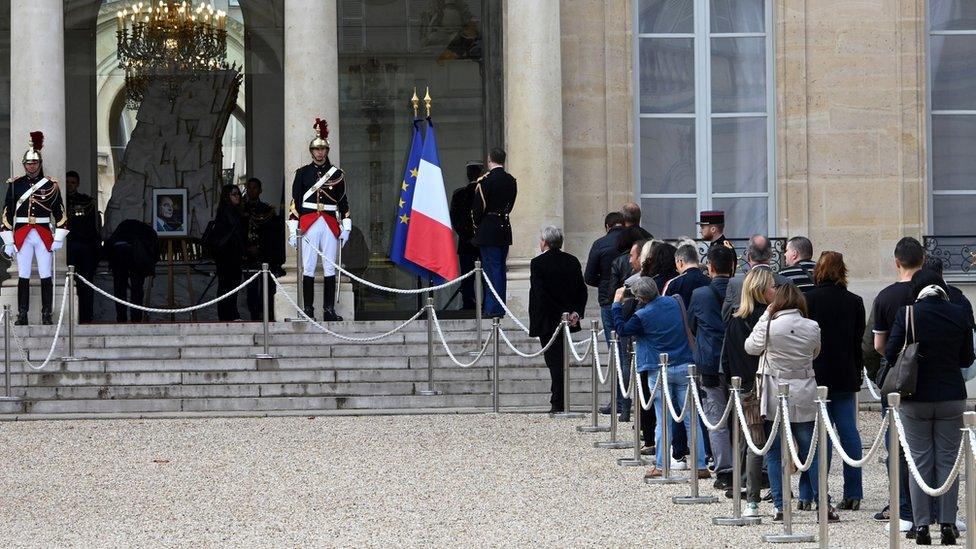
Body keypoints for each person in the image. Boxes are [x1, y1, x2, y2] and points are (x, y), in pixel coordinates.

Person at [886, 269, 975, 545]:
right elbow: (967, 358)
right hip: (950, 394)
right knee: (948, 462)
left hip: (915, 396)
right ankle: (948, 523)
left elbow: (890, 353)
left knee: (919, 462)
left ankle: (922, 525)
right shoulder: (960, 313)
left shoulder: (907, 314)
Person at [745, 284, 836, 522]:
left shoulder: (770, 327)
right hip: (805, 389)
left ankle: (780, 505)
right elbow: (815, 352)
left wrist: (766, 314)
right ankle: (822, 502)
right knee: (811, 451)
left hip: (776, 392)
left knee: (775, 453)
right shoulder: (812, 326)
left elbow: (751, 346)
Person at [610, 277, 709, 480]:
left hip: (659, 369)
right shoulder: (675, 302)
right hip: (684, 365)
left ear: (639, 297)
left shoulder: (642, 315)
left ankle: (661, 465)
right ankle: (700, 465)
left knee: (663, 420)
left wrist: (616, 304)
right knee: (691, 420)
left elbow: (621, 330)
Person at [805, 251, 865, 511]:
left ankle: (812, 493)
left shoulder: (809, 300)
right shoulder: (855, 301)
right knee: (849, 432)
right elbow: (857, 342)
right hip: (845, 373)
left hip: (817, 375)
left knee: (818, 435)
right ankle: (854, 491)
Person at [871, 236, 924, 529]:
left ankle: (903, 507)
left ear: (896, 262)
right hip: (930, 373)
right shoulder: (939, 293)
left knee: (899, 446)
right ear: (923, 261)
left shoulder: (886, 296)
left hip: (897, 375)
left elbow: (878, 344)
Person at [1, 131, 68, 325]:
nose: (32, 166)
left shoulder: (51, 185)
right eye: (29, 163)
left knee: (46, 274)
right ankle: (22, 314)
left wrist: (58, 238)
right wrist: (7, 240)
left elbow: (60, 213)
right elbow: (6, 213)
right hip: (22, 233)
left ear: (39, 164)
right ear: (24, 165)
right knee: (23, 275)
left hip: (43, 233)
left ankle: (46, 314)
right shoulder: (15, 185)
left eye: (35, 163)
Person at [723, 268, 775, 517]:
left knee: (752, 443)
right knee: (768, 443)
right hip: (765, 385)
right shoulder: (768, 318)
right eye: (772, 286)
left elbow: (726, 358)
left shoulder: (735, 319)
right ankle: (772, 493)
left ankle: (748, 492)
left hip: (743, 385)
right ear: (761, 290)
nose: (775, 290)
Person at [288, 118, 351, 322]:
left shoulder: (338, 174)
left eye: (323, 149)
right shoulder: (302, 173)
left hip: (330, 222)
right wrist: (292, 229)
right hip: (308, 222)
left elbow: (343, 202)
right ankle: (308, 309)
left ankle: (329, 310)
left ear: (327, 150)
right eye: (316, 149)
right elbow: (295, 202)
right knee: (308, 267)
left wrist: (346, 226)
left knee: (330, 267)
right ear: (311, 151)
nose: (320, 153)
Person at [688, 246, 737, 490]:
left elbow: (692, 324)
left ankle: (725, 469)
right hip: (738, 361)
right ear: (733, 267)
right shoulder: (741, 290)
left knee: (716, 418)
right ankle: (746, 465)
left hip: (710, 361)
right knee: (742, 418)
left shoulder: (700, 294)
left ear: (710, 267)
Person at [528, 226, 587, 413]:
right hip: (568, 318)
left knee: (554, 362)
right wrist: (575, 312)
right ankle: (559, 399)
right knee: (559, 361)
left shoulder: (537, 263)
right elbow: (581, 290)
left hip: (548, 320)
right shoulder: (572, 261)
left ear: (544, 242)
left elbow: (540, 294)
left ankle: (558, 402)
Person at [584, 212, 627, 416]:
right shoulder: (634, 240)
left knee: (617, 351)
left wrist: (605, 282)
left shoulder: (601, 243)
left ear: (607, 226)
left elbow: (590, 277)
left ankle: (621, 401)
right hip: (633, 299)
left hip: (609, 301)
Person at [472, 148, 517, 318]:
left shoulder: (486, 181)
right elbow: (510, 206)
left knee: (492, 270)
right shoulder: (511, 180)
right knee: (500, 269)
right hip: (504, 229)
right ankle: (499, 305)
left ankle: (493, 308)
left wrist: (478, 227)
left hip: (489, 229)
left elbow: (477, 210)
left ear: (490, 160)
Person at [242, 177, 284, 321]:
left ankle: (268, 315)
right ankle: (254, 315)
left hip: (265, 255)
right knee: (252, 290)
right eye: (249, 188)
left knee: (268, 288)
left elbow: (271, 234)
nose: (252, 191)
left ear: (260, 190)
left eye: (255, 188)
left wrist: (261, 248)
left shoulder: (267, 210)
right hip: (248, 257)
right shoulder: (241, 208)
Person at [722, 234, 790, 321]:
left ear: (748, 256)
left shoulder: (735, 283)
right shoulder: (785, 282)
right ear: (771, 255)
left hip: (744, 333)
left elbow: (726, 316)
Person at [64, 170, 101, 324]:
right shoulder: (59, 202)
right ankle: (68, 318)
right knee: (68, 284)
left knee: (86, 284)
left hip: (86, 249)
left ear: (78, 184)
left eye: (73, 182)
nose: (70, 185)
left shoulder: (87, 202)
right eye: (68, 182)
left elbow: (94, 229)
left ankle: (87, 317)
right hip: (68, 249)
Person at [103, 220, 158, 322]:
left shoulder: (125, 227)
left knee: (119, 288)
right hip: (135, 254)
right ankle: (136, 319)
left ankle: (121, 318)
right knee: (137, 288)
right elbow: (153, 255)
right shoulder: (149, 233)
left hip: (119, 251)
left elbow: (108, 245)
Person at [449, 162, 484, 310]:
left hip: (466, 242)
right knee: (485, 278)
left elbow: (454, 220)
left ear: (468, 174)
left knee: (467, 277)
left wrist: (466, 236)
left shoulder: (459, 194)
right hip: (482, 242)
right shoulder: (484, 192)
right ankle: (486, 303)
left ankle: (468, 304)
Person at [209, 185, 247, 321]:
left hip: (228, 254)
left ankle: (228, 313)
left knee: (228, 285)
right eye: (233, 194)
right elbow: (236, 233)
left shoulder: (230, 211)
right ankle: (229, 314)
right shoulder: (229, 211)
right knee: (228, 285)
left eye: (238, 194)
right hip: (228, 254)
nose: (237, 196)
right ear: (227, 197)